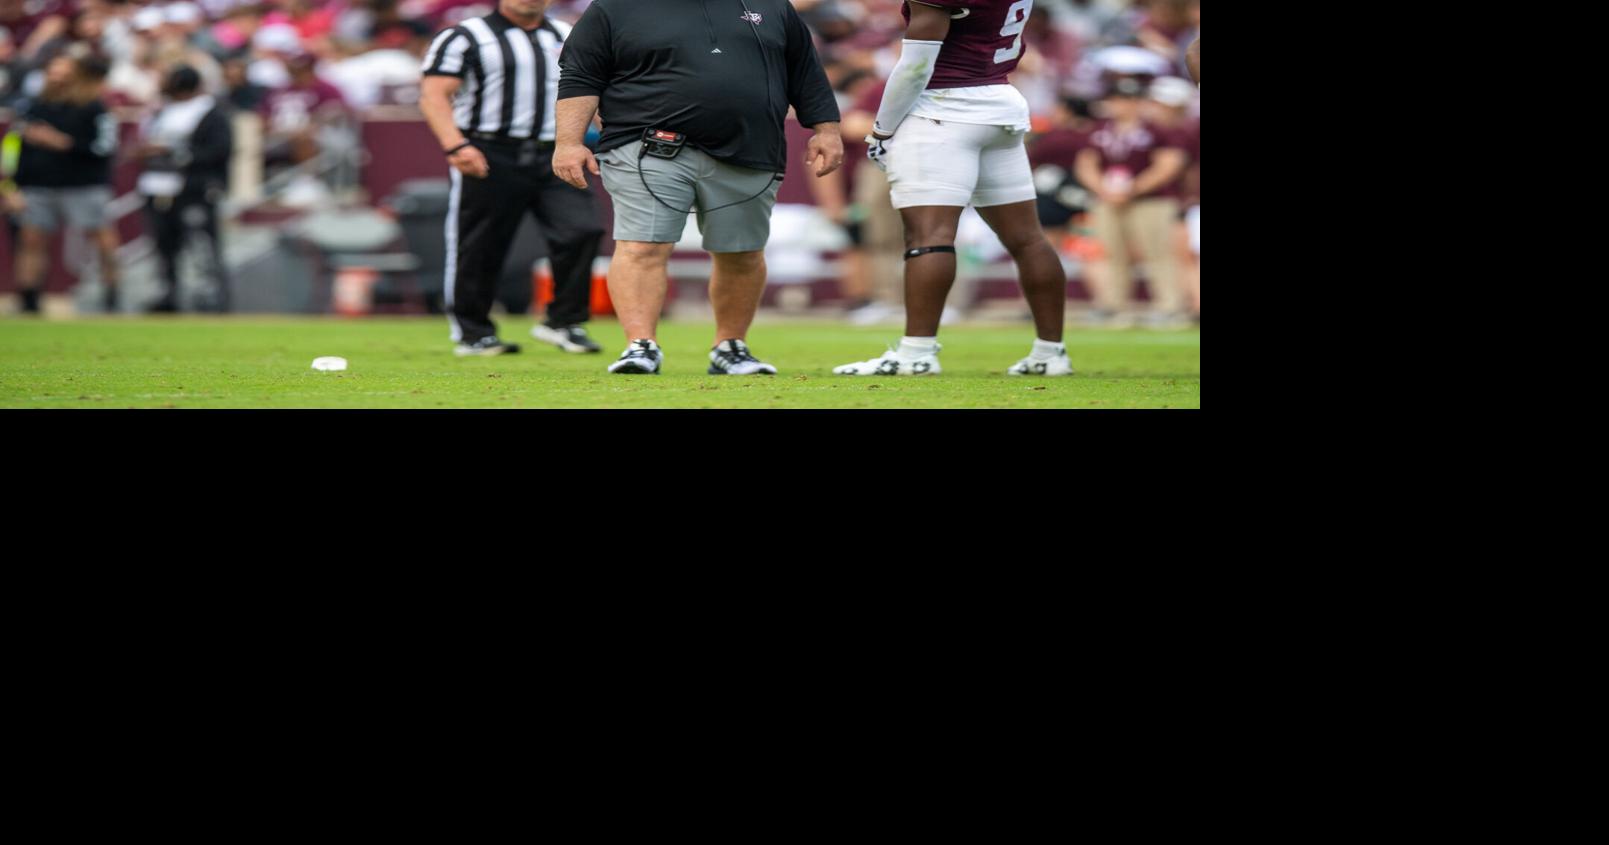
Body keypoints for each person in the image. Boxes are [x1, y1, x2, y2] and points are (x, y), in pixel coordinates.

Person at [553, 0, 844, 375]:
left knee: (742, 252)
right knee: (642, 245)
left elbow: (805, 71)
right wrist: (569, 142)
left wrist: (827, 129)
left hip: (750, 146)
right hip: (646, 145)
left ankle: (730, 346)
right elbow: (581, 74)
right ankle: (640, 345)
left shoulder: (771, 5)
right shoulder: (615, 6)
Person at [834, 0, 1074, 377]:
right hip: (1000, 103)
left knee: (929, 236)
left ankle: (916, 353)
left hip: (943, 107)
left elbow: (915, 67)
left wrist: (882, 129)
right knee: (1028, 238)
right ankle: (1050, 353)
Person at [418, 0, 605, 357]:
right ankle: (473, 331)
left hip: (554, 150)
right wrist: (455, 145)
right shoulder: (465, 36)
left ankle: (563, 321)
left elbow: (588, 93)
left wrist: (609, 136)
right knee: (480, 243)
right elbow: (433, 95)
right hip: (491, 150)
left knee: (583, 229)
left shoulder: (567, 34)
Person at [9, 50, 120, 314]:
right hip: (39, 185)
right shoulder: (34, 106)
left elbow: (104, 147)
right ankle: (29, 299)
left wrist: (62, 142)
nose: (58, 75)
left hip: (83, 184)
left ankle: (112, 291)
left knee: (99, 235)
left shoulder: (94, 106)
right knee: (32, 240)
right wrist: (12, 186)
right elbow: (15, 149)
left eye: (64, 70)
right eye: (53, 70)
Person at [1074, 75, 1186, 326]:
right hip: (1108, 198)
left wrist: (1133, 189)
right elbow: (1086, 163)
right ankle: (1112, 305)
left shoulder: (1156, 130)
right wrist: (1103, 189)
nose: (1124, 105)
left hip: (1151, 200)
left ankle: (1169, 307)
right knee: (1111, 253)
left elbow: (1169, 164)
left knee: (1158, 252)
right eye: (1118, 99)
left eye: (1130, 100)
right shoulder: (1100, 129)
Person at [136, 64, 234, 313]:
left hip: (193, 189)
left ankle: (210, 296)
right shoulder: (161, 112)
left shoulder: (210, 112)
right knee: (163, 244)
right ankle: (167, 293)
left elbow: (220, 150)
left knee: (200, 244)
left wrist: (176, 153)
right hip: (158, 186)